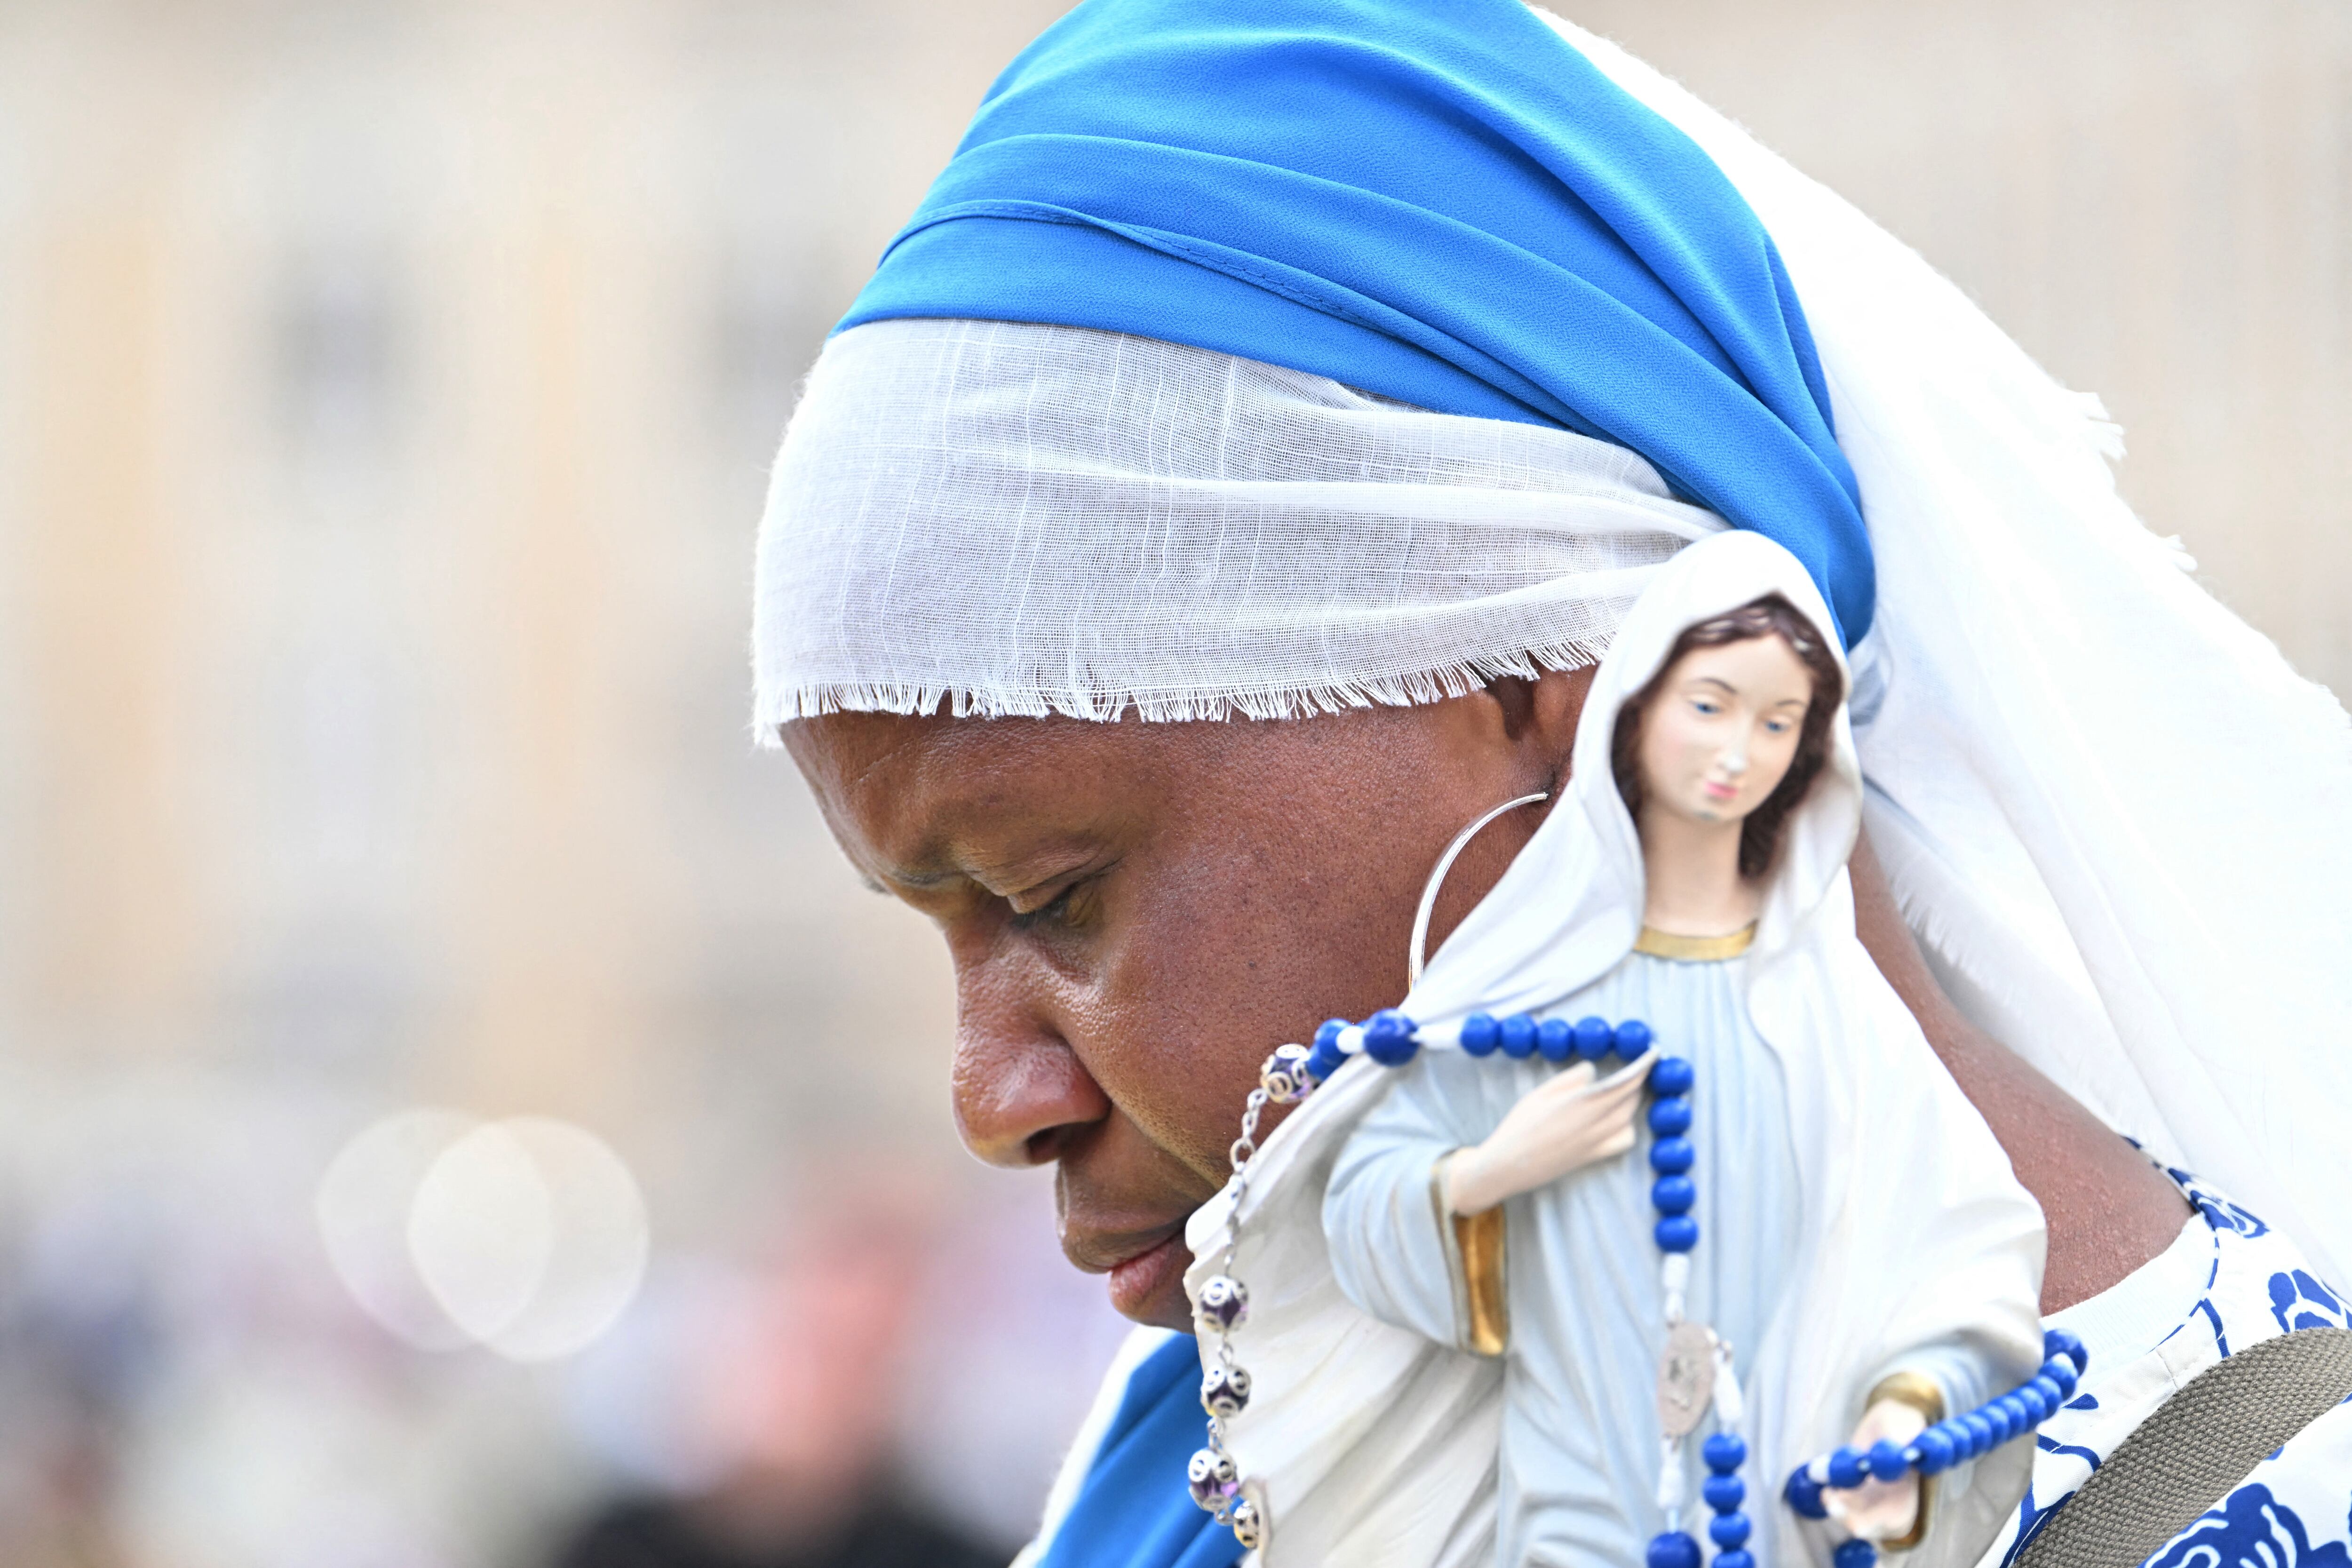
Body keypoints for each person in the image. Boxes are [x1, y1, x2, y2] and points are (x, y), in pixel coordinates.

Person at [752, 2, 2352, 1565]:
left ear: (1653, 733)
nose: (990, 1097)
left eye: (1050, 895)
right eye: (941, 927)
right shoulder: (1207, 1479)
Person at [1258, 533, 2042, 1568]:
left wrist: (1903, 1419)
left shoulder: (1828, 1018)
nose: (1735, 751)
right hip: (1564, 1514)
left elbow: (1968, 1255)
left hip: (1763, 1516)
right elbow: (1361, 1201)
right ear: (1625, 709)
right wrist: (1493, 1169)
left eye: (1776, 722)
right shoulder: (1538, 1003)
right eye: (1710, 705)